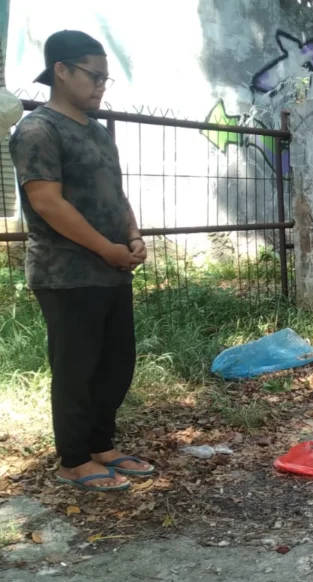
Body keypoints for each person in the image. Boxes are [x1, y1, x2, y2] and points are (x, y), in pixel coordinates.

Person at [9, 31, 152, 492]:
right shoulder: (38, 129)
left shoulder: (97, 131)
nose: (101, 85)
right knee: (76, 367)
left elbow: (115, 191)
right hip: (65, 272)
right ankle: (72, 459)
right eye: (94, 75)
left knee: (116, 363)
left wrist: (131, 235)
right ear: (62, 71)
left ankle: (100, 445)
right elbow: (48, 203)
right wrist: (105, 248)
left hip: (110, 269)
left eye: (105, 78)